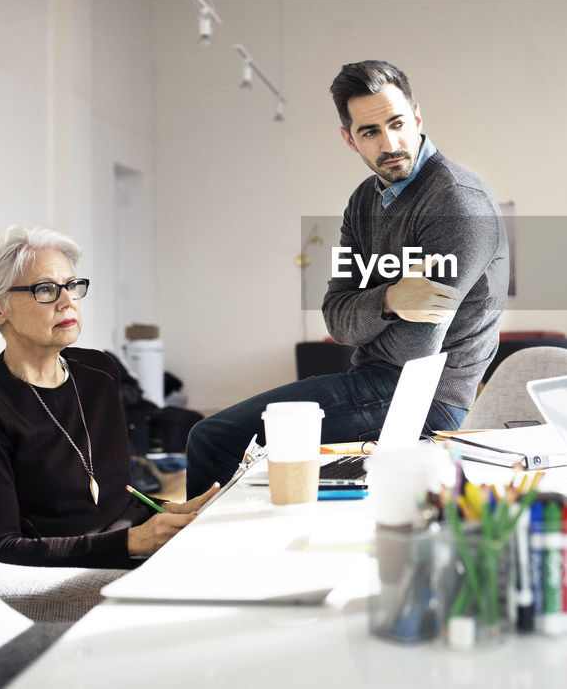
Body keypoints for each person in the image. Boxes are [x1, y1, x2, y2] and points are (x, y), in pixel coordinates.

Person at [186, 60, 509, 496]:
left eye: (397, 123)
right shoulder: (363, 201)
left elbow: (417, 349)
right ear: (348, 138)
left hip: (423, 399)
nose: (390, 143)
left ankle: (204, 561)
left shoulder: (455, 203)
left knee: (214, 438)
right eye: (370, 132)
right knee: (229, 444)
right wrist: (392, 299)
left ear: (416, 116)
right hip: (374, 381)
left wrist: (366, 312)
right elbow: (336, 320)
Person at [0, 225, 219, 569]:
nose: (67, 301)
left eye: (72, 286)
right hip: (77, 574)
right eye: (45, 289)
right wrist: (134, 541)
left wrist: (168, 510)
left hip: (132, 551)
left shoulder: (99, 372)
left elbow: (113, 501)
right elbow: (2, 548)